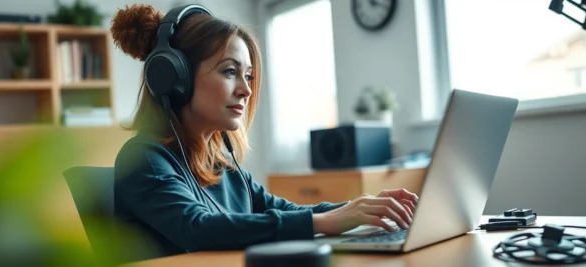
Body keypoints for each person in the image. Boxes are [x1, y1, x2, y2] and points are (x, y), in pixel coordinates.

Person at [110, 3, 419, 258]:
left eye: (248, 75)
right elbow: (198, 228)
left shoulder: (221, 167)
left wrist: (365, 208)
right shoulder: (143, 159)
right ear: (176, 79)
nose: (246, 90)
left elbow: (284, 210)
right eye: (230, 71)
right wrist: (325, 221)